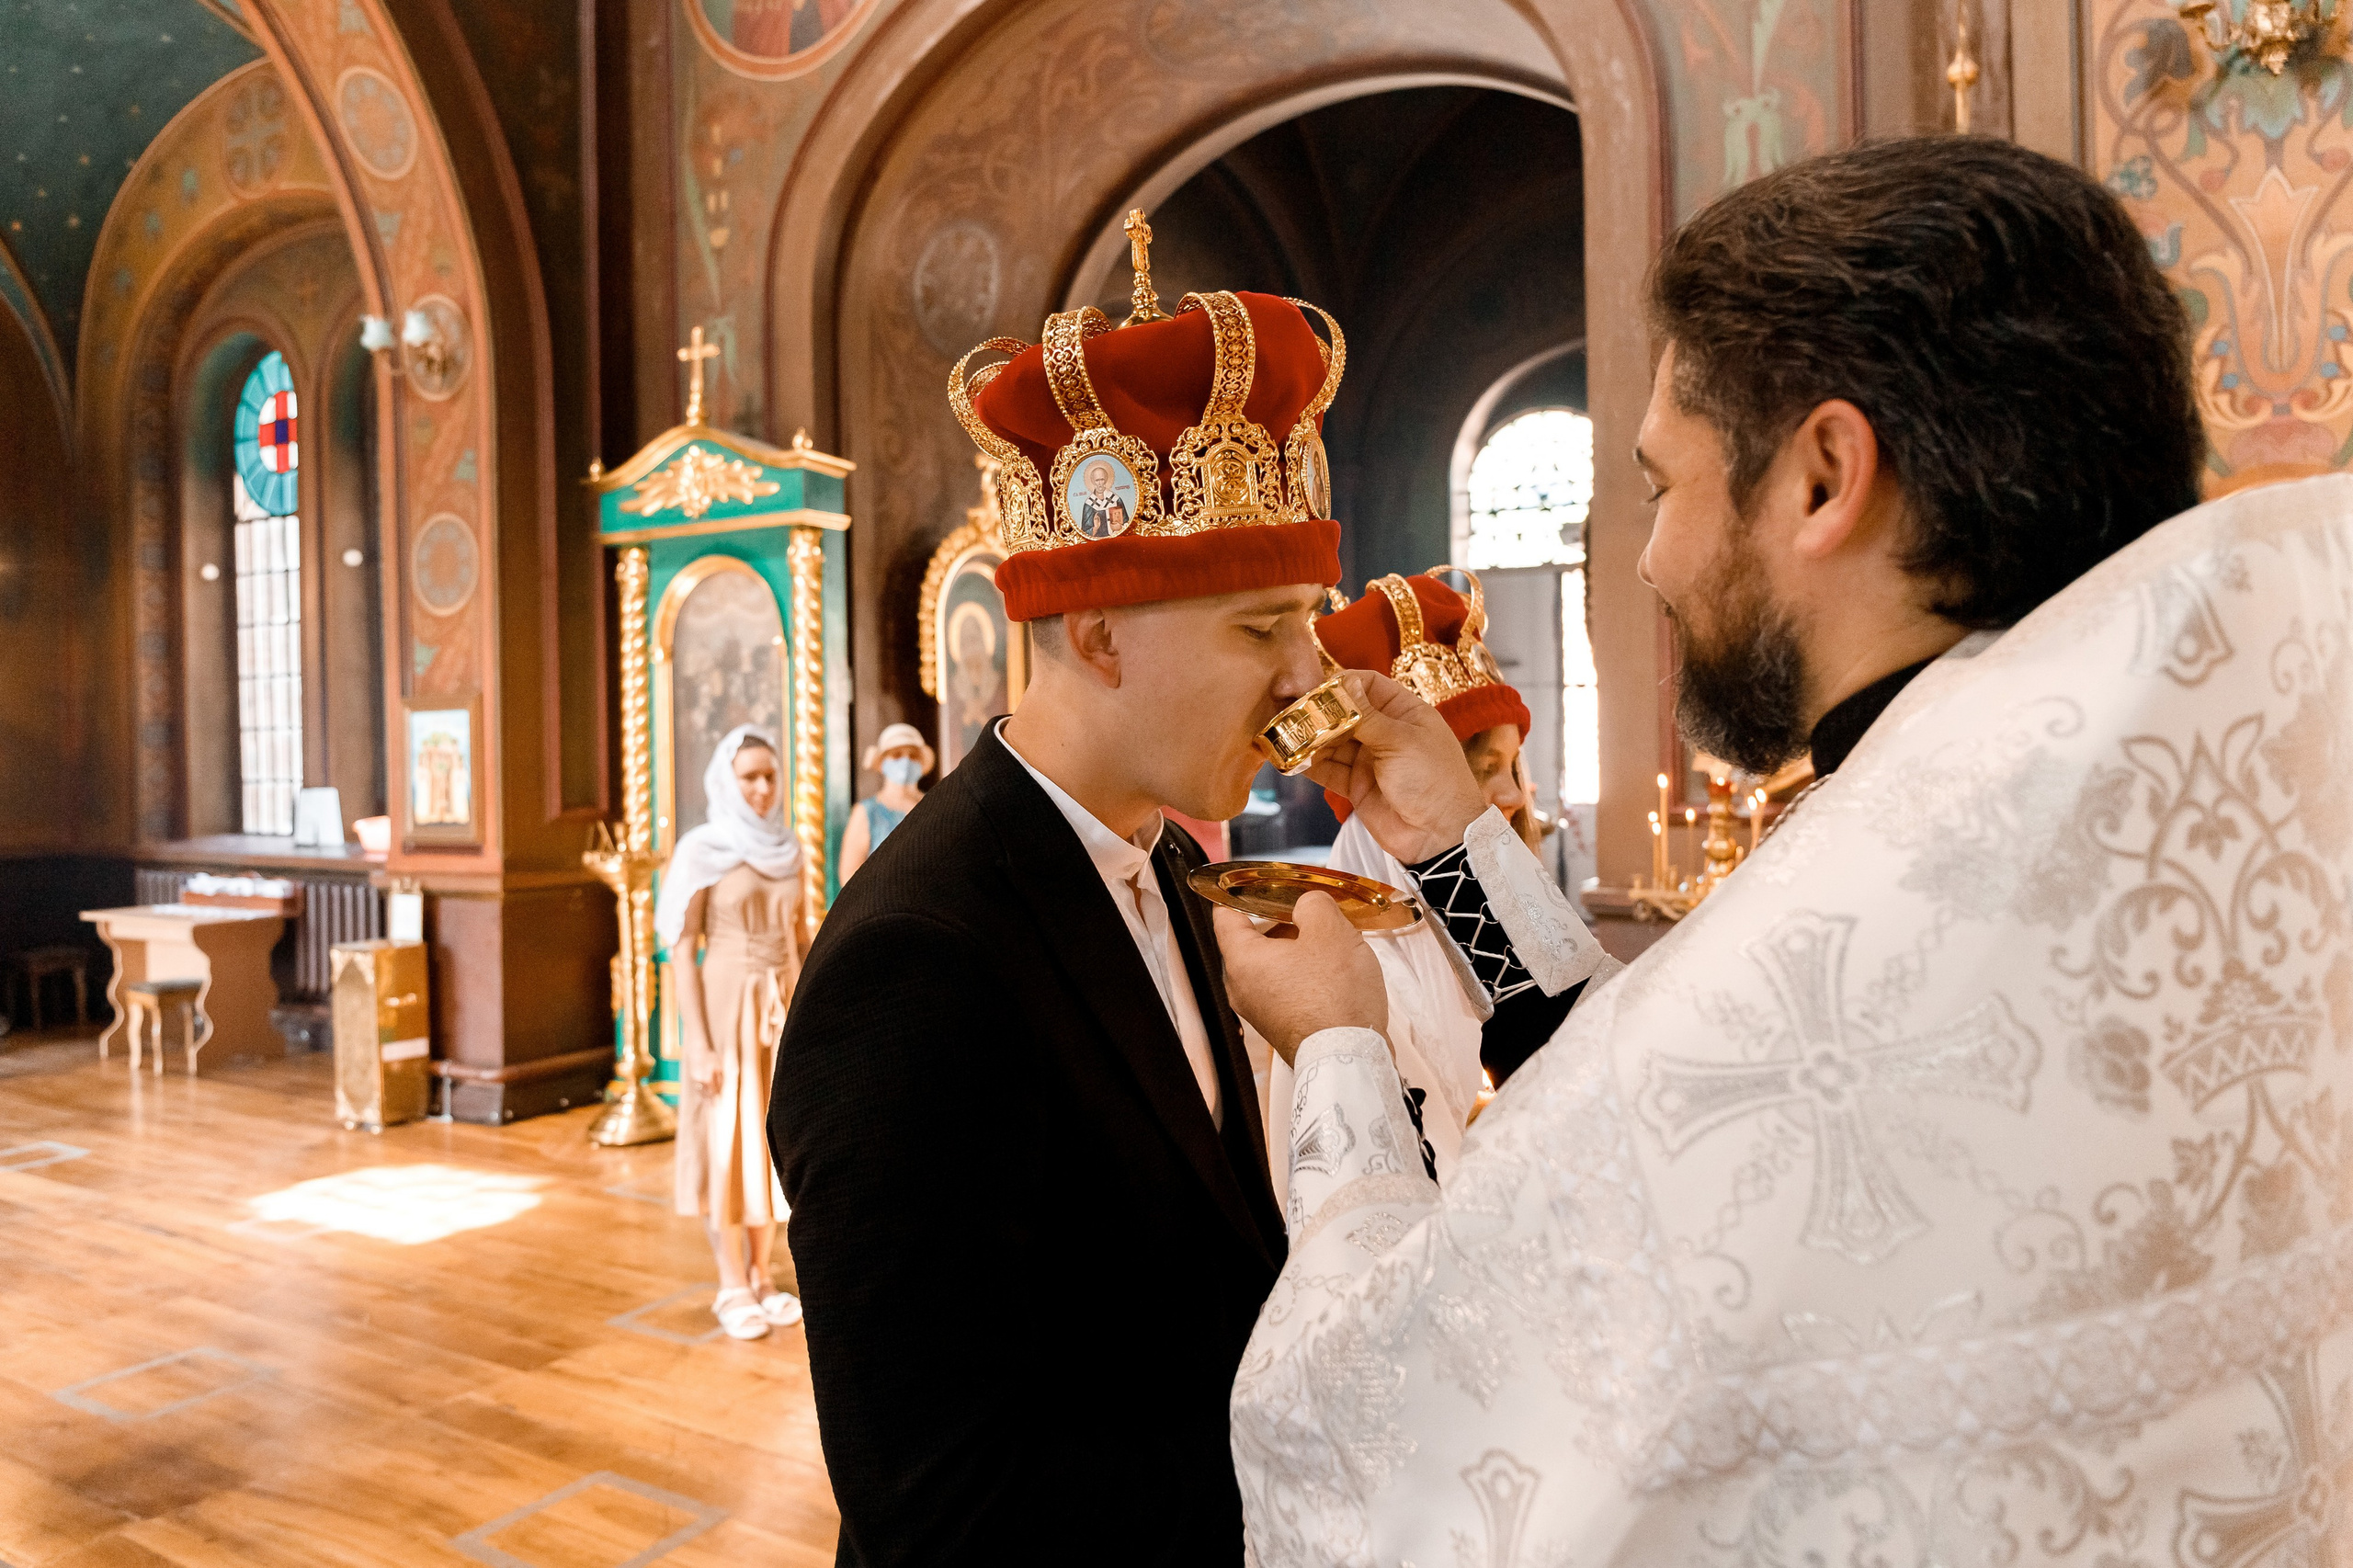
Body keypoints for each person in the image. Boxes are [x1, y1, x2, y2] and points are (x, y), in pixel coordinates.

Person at [1210, 138, 2348, 1565]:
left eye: (1663, 484)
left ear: (1822, 474)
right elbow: (1657, 1067)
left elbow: (1366, 1432)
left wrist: (1338, 1057)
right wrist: (1451, 841)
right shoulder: (2237, 785)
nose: (1648, 560)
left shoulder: (1883, 911)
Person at [771, 267, 1361, 1563]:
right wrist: (1313, 1461)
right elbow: (942, 1510)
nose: (1305, 679)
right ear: (1099, 634)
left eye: (1304, 624)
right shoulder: (915, 966)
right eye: (1264, 625)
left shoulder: (1152, 858)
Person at [1259, 569, 1608, 1215]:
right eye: (1482, 770)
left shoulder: (1474, 930)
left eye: (1514, 769)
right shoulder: (1358, 966)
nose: (1511, 797)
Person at [653, 725, 807, 1341]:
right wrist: (698, 1041)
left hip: (779, 1002)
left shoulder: (787, 846)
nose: (764, 788)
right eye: (751, 777)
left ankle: (763, 1276)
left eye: (771, 775)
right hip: (724, 999)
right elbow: (681, 946)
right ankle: (731, 1284)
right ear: (728, 780)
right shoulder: (704, 847)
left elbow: (798, 939)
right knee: (727, 1141)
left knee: (771, 1145)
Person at [835, 722, 932, 881]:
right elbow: (849, 876)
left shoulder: (935, 805)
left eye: (913, 755)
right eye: (897, 755)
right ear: (882, 762)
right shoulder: (867, 812)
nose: (906, 761)